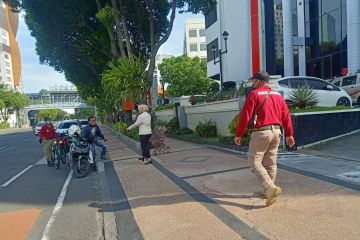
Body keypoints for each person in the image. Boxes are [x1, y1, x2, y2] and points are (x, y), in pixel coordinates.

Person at [234, 71, 295, 207]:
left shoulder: (254, 94)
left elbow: (245, 115)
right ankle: (267, 191)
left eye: (254, 81)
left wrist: (239, 133)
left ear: (258, 81)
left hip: (261, 132)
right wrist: (290, 134)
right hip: (277, 132)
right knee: (270, 163)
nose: (253, 83)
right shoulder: (278, 96)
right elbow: (286, 116)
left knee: (254, 161)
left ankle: (269, 187)